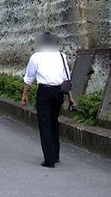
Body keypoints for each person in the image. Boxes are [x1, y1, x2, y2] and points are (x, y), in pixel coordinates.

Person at [20, 32, 76, 168]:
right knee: (54, 122)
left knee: (44, 124)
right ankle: (55, 155)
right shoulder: (61, 56)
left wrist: (24, 94)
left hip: (44, 91)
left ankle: (49, 160)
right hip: (59, 92)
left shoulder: (36, 57)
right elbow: (66, 78)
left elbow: (29, 78)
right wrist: (71, 97)